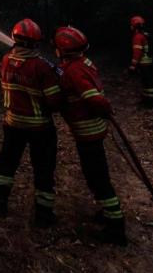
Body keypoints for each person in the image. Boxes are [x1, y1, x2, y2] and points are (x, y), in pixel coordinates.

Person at [54, 26, 127, 246]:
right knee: (96, 175)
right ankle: (109, 213)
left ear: (63, 50)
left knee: (97, 177)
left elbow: (93, 99)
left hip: (88, 131)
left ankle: (116, 228)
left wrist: (105, 107)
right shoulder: (81, 64)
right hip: (91, 130)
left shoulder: (74, 70)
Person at [0, 18, 62, 227]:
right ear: (37, 42)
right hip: (40, 128)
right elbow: (54, 101)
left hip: (13, 124)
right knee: (43, 169)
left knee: (7, 164)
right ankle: (43, 215)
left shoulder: (5, 60)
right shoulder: (41, 67)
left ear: (14, 39)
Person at [129, 15, 153, 107]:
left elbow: (137, 52)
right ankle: (147, 100)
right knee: (147, 82)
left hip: (144, 63)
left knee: (147, 83)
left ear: (134, 26)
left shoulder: (137, 37)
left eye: (131, 25)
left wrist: (133, 66)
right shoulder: (146, 35)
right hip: (149, 61)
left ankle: (151, 102)